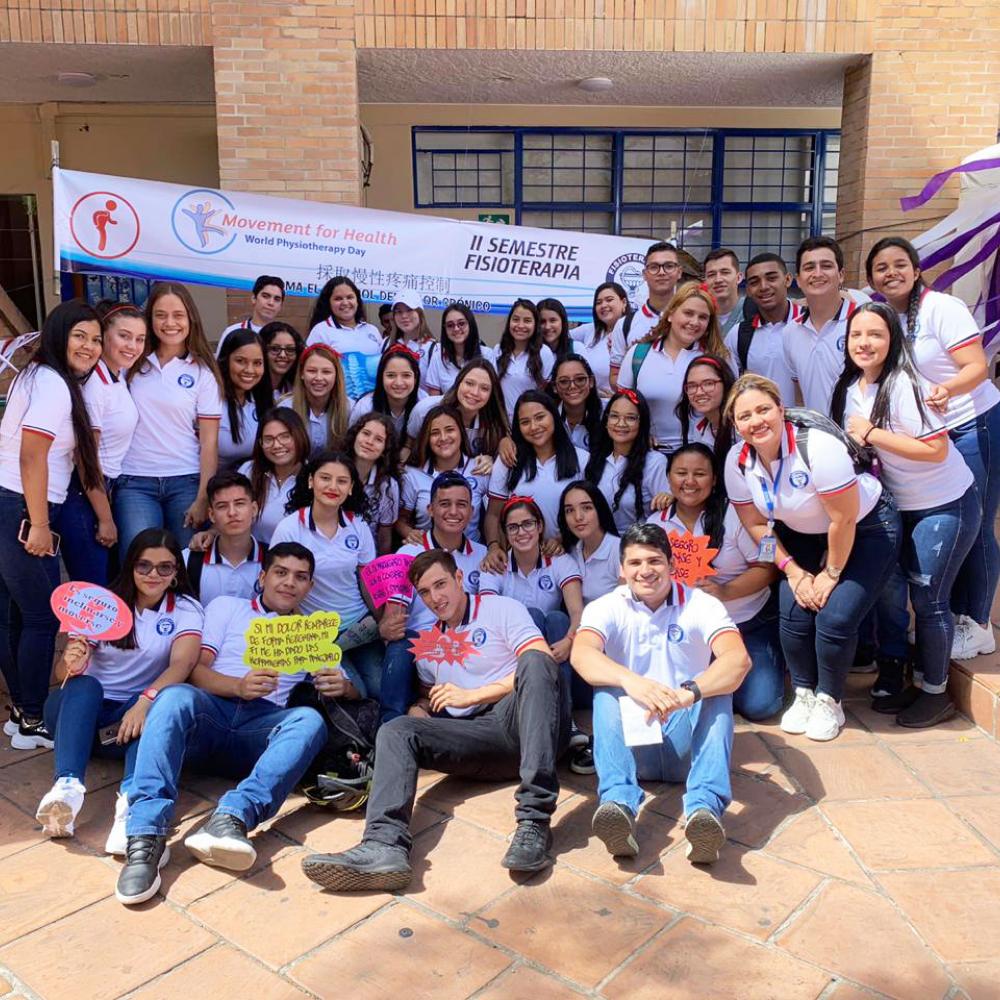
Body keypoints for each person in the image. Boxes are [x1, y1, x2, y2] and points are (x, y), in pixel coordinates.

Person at [300, 548, 570, 890]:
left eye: (441, 584)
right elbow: (431, 694)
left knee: (534, 662)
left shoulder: (501, 608)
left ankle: (533, 822)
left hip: (528, 721)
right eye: (425, 592)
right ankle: (383, 846)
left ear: (459, 578)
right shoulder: (431, 644)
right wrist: (422, 708)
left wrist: (474, 695)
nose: (435, 598)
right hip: (482, 741)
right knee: (397, 729)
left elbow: (542, 662)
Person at [114, 542, 328, 905]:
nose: (289, 582)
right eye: (281, 572)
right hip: (211, 714)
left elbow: (342, 683)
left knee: (310, 720)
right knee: (173, 696)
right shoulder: (227, 607)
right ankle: (145, 834)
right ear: (262, 577)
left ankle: (232, 817)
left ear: (309, 586)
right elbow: (195, 671)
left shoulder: (312, 630)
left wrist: (344, 686)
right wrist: (238, 686)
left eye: (300, 577)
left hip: (259, 730)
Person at [724, 374, 901, 741]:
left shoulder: (816, 447)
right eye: (745, 416)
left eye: (763, 410)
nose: (756, 421)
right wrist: (790, 569)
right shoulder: (737, 462)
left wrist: (830, 573)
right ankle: (804, 692)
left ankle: (829, 700)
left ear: (781, 409)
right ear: (735, 424)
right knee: (793, 611)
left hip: (865, 528)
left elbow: (843, 518)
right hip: (801, 536)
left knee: (835, 616)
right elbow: (757, 525)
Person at [831, 303, 979, 727]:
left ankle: (936, 693)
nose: (864, 343)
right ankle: (911, 680)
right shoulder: (853, 386)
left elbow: (936, 450)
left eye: (875, 334)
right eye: (856, 335)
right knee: (893, 594)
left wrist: (872, 433)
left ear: (892, 340)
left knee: (929, 600)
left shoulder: (906, 384)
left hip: (942, 503)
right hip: (895, 507)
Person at [571, 523, 750, 864]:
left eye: (654, 561)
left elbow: (738, 660)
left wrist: (690, 693)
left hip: (687, 742)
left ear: (671, 565)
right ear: (621, 570)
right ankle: (618, 806)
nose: (646, 571)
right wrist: (631, 681)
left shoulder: (702, 604)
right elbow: (582, 655)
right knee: (606, 688)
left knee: (718, 689)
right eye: (635, 563)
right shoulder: (606, 607)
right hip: (635, 747)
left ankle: (704, 814)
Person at [866, 236, 1000, 660]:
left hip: (971, 422)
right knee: (958, 524)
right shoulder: (892, 316)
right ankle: (956, 618)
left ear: (916, 268)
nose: (891, 273)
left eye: (899, 264)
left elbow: (977, 366)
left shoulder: (942, 308)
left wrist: (946, 389)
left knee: (975, 521)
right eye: (881, 267)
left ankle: (977, 622)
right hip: (933, 431)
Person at [36, 529, 203, 853]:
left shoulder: (186, 609)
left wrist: (144, 701)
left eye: (164, 567)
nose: (153, 574)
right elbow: (64, 678)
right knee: (86, 685)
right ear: (130, 567)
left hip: (129, 722)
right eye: (144, 566)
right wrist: (72, 660)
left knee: (156, 713)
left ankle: (129, 805)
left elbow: (181, 666)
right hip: (79, 719)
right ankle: (67, 788)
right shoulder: (102, 603)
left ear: (175, 573)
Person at [0, 301, 104, 749]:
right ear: (59, 335)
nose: (90, 346)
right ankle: (33, 718)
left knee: (16, 614)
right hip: (21, 505)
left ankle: (21, 712)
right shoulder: (52, 384)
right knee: (42, 617)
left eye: (96, 338)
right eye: (80, 335)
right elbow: (31, 455)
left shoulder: (43, 378)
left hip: (14, 501)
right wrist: (38, 522)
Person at [646, 444, 784, 721]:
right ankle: (719, 685)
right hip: (688, 632)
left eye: (700, 473)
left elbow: (768, 567)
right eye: (681, 473)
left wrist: (724, 591)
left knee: (762, 705)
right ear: (669, 477)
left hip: (746, 622)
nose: (689, 482)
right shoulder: (656, 524)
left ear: (715, 479)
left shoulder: (735, 514)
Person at [479, 495, 592, 772]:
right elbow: (489, 618)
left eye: (528, 524)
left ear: (540, 526)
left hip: (560, 655)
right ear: (505, 533)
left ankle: (564, 719)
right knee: (532, 616)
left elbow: (578, 613)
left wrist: (568, 641)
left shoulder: (559, 561)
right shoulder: (496, 565)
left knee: (555, 618)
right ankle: (550, 720)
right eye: (513, 527)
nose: (522, 532)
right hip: (513, 659)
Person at [115, 282, 223, 551]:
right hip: (134, 481)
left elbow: (209, 443)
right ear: (150, 319)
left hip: (185, 481)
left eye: (178, 315)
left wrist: (202, 498)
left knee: (185, 563)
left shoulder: (203, 373)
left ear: (191, 319)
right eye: (161, 315)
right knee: (137, 560)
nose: (170, 323)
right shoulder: (131, 364)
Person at [270, 451, 382, 699]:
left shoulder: (358, 525)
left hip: (360, 626)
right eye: (325, 478)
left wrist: (381, 620)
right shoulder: (289, 528)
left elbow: (367, 581)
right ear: (311, 481)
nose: (333, 487)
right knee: (352, 690)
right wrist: (308, 640)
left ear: (351, 488)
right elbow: (281, 590)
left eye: (342, 481)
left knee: (380, 688)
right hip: (316, 631)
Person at [379, 470, 488, 722]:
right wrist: (388, 626)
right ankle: (388, 727)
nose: (453, 511)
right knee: (399, 646)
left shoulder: (483, 556)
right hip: (420, 642)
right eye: (444, 504)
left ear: (471, 512)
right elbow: (391, 620)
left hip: (467, 641)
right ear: (430, 509)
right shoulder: (408, 551)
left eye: (461, 505)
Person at [57, 300, 144, 586]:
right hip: (86, 493)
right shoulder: (95, 385)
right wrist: (105, 518)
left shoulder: (117, 377)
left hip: (105, 489)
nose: (133, 345)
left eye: (140, 339)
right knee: (93, 590)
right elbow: (86, 459)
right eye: (124, 336)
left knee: (107, 585)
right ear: (104, 337)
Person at [618, 284, 732, 453]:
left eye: (703, 317)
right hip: (649, 456)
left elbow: (730, 408)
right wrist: (639, 435)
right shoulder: (639, 354)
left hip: (703, 458)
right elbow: (622, 405)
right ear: (670, 314)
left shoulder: (719, 357)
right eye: (688, 313)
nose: (694, 322)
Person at [483, 391, 588, 567]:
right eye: (525, 422)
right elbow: (493, 514)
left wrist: (562, 539)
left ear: (553, 416)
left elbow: (590, 514)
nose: (534, 426)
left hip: (572, 556)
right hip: (522, 558)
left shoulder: (582, 460)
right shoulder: (509, 459)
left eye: (540, 417)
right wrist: (494, 547)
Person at [784, 236, 868, 412]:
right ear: (799, 280)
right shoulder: (791, 332)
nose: (817, 273)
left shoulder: (864, 320)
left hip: (861, 435)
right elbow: (800, 392)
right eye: (809, 267)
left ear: (841, 275)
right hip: (818, 435)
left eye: (826, 266)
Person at [399, 404, 491, 543]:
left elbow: (494, 516)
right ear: (427, 438)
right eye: (435, 433)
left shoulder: (480, 468)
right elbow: (401, 519)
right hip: (427, 552)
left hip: (472, 554)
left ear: (461, 432)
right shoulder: (412, 474)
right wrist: (409, 532)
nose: (443, 437)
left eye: (450, 430)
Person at [584, 388, 668, 534]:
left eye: (630, 418)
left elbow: (665, 510)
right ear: (606, 420)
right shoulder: (595, 459)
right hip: (598, 544)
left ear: (641, 423)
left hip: (637, 547)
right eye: (614, 416)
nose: (621, 424)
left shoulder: (655, 462)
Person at [727, 252, 801, 403]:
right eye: (754, 282)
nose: (764, 286)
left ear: (787, 279)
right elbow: (728, 386)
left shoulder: (810, 324)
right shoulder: (739, 334)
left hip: (807, 424)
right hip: (760, 424)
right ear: (748, 289)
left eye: (771, 278)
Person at [183, 472, 265, 605]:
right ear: (211, 515)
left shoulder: (272, 561)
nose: (232, 513)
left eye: (239, 504)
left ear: (254, 509)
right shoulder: (189, 561)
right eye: (222, 506)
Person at [609, 242, 683, 386]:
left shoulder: (692, 320)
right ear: (644, 274)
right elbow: (614, 376)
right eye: (654, 267)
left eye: (668, 266)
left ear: (679, 272)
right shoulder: (625, 325)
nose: (661, 272)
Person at [407, 358, 509, 458]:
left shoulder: (493, 424)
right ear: (458, 382)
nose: (474, 392)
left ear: (491, 394)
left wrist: (491, 460)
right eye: (469, 383)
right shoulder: (425, 410)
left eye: (484, 388)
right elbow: (408, 446)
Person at [305, 276, 383, 401]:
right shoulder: (321, 331)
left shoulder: (372, 330)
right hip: (337, 403)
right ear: (328, 302)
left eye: (350, 297)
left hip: (373, 404)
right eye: (338, 299)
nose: (345, 303)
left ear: (357, 300)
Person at [240, 406, 310, 545]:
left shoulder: (314, 476)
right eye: (268, 439)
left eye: (285, 437)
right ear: (260, 443)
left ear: (299, 436)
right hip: (252, 556)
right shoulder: (249, 470)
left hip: (294, 559)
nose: (277, 445)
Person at [344, 412, 402, 555]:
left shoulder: (388, 486)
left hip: (367, 556)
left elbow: (384, 536)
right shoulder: (334, 469)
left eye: (378, 439)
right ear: (355, 436)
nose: (369, 442)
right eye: (366, 433)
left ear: (385, 450)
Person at [558, 480, 623, 607]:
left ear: (600, 509)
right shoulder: (570, 551)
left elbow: (626, 607)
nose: (578, 517)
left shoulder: (620, 550)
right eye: (569, 510)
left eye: (586, 508)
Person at [216, 330, 272, 472]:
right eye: (240, 361)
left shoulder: (263, 400)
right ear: (225, 360)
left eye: (257, 363)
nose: (249, 370)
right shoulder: (210, 399)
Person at [350, 342, 426, 443]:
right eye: (391, 375)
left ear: (415, 378)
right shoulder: (365, 407)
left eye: (406, 375)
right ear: (381, 377)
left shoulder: (423, 403)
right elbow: (352, 443)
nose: (399, 383)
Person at [494, 299, 555, 419]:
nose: (520, 325)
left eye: (527, 321)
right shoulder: (498, 350)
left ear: (535, 324)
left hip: (530, 422)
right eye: (516, 319)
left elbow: (546, 394)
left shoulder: (544, 353)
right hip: (501, 422)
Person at [286, 344, 350, 455]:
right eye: (312, 371)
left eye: (326, 372)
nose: (319, 378)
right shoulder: (286, 408)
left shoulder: (350, 409)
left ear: (336, 376)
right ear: (302, 374)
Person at [570, 281, 629, 395]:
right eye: (598, 302)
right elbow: (559, 337)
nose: (603, 305)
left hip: (620, 407)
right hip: (591, 407)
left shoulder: (634, 332)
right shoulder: (589, 329)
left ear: (624, 302)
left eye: (609, 300)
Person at [676, 354, 736, 459]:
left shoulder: (740, 428)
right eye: (692, 386)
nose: (699, 392)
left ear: (726, 383)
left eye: (708, 383)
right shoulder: (699, 429)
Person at [425, 304, 492, 396]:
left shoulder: (487, 354)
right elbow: (433, 397)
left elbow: (490, 393)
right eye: (450, 325)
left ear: (470, 324)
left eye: (461, 323)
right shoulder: (438, 357)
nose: (456, 329)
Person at [216, 275, 285, 355]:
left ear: (281, 306)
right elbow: (220, 366)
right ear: (253, 299)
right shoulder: (232, 332)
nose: (271, 303)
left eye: (277, 299)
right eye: (265, 296)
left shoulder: (285, 337)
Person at [546, 354, 603, 450]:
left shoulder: (607, 414)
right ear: (554, 387)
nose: (572, 386)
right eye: (564, 381)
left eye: (580, 379)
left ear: (591, 381)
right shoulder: (547, 418)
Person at [384, 292, 437, 386]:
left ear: (420, 313)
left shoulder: (434, 348)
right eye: (399, 312)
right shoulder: (386, 343)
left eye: (409, 310)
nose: (404, 316)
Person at [702, 249, 746, 336]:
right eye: (711, 274)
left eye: (725, 272)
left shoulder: (752, 313)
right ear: (705, 281)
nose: (718, 279)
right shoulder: (700, 315)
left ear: (739, 278)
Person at [260, 321, 304, 400]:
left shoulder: (297, 390)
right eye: (275, 349)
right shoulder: (249, 389)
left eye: (290, 349)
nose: (283, 355)